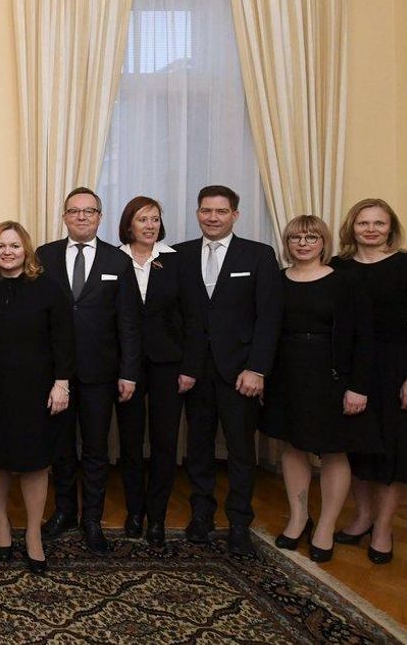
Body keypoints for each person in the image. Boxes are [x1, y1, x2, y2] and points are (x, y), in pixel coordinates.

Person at [260, 215, 378, 562]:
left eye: (311, 237)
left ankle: (326, 525)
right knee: (293, 446)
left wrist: (358, 387)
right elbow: (265, 330)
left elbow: (364, 339)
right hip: (286, 374)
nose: (303, 243)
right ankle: (299, 518)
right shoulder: (277, 281)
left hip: (332, 376)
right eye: (296, 237)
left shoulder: (346, 283)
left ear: (323, 242)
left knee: (333, 450)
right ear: (287, 242)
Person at [176, 185, 282, 556]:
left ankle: (239, 522)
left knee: (240, 451)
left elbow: (268, 318)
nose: (213, 217)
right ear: (197, 213)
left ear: (235, 215)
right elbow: (178, 317)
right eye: (206, 211)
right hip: (195, 373)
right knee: (199, 448)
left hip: (240, 373)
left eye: (221, 212)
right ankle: (201, 515)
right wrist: (184, 366)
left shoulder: (258, 255)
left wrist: (257, 369)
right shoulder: (179, 254)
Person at [330, 199, 407, 565]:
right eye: (363, 223)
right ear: (352, 227)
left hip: (395, 370)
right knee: (357, 447)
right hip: (351, 370)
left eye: (379, 223)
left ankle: (383, 528)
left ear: (391, 228)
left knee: (393, 451)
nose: (371, 229)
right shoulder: (337, 267)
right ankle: (361, 517)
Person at [39, 187, 141, 555]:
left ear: (100, 217)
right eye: (74, 211)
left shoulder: (118, 261)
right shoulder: (44, 256)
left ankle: (92, 520)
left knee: (96, 449)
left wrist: (129, 372)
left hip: (101, 373)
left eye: (89, 211)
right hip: (56, 375)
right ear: (64, 217)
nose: (82, 217)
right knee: (61, 447)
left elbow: (128, 322)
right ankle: (64, 511)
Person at [0, 221, 74, 575]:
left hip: (38, 390)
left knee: (35, 462)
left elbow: (64, 338)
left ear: (26, 250)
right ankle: (1, 523)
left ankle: (33, 533)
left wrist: (61, 383)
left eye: (14, 246)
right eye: (1, 246)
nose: (7, 252)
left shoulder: (47, 287)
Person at [116, 196, 185, 548]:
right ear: (129, 224)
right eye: (142, 219)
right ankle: (133, 511)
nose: (149, 225)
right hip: (125, 365)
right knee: (130, 441)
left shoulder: (175, 261)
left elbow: (191, 317)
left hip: (167, 365)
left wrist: (189, 367)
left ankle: (156, 517)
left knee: (164, 441)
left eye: (155, 219)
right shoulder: (114, 259)